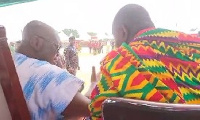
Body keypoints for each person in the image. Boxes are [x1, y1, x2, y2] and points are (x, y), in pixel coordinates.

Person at [89, 4, 200, 120]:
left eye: (115, 38)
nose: (116, 45)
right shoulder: (194, 44)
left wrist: (92, 86)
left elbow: (97, 111)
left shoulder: (119, 62)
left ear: (123, 32)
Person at [14, 20, 91, 120]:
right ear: (36, 43)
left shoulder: (12, 63)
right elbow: (91, 108)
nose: (57, 54)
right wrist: (93, 84)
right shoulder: (44, 72)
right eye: (56, 46)